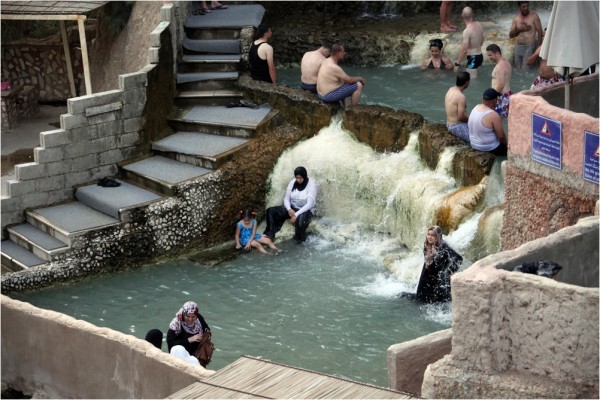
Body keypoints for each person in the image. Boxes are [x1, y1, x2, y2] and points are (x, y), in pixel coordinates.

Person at [263, 166, 317, 245]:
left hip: (305, 210)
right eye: (297, 177)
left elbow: (310, 204)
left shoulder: (311, 185)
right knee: (271, 211)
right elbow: (286, 199)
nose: (298, 180)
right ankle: (270, 234)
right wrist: (289, 209)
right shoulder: (293, 182)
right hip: (292, 208)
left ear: (304, 176)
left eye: (300, 178)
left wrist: (296, 214)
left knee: (300, 223)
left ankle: (300, 242)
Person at [415, 226, 462, 303]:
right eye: (428, 234)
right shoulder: (427, 245)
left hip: (439, 281)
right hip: (428, 277)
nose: (429, 237)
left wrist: (448, 272)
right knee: (420, 300)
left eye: (432, 235)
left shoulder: (443, 247)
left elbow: (458, 258)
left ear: (438, 237)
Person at [317, 42, 366, 107]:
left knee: (343, 83)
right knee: (359, 85)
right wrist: (360, 78)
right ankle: (354, 111)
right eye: (343, 51)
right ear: (337, 52)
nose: (344, 53)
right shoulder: (334, 67)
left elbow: (345, 80)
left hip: (320, 93)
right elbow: (349, 80)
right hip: (327, 96)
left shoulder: (326, 60)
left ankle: (346, 107)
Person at [468, 88, 508, 156]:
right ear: (494, 100)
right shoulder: (493, 115)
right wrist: (506, 145)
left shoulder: (475, 107)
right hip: (489, 148)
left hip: (474, 145)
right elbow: (501, 136)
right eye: (497, 99)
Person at [509, 1, 542, 70]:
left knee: (525, 70)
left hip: (529, 47)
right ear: (519, 7)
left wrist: (537, 49)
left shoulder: (534, 16)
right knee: (518, 70)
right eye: (523, 6)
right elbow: (511, 35)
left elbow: (540, 32)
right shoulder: (516, 18)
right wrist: (520, 30)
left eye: (527, 6)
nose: (526, 8)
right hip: (518, 47)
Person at [453, 7, 484, 78]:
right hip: (480, 56)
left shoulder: (467, 31)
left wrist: (457, 64)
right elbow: (482, 40)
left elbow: (464, 50)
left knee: (472, 83)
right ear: (472, 14)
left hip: (472, 58)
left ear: (462, 16)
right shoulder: (479, 24)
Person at [486, 44, 512, 118]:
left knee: (496, 121)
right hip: (507, 95)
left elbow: (500, 85)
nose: (489, 58)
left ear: (497, 53)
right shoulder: (507, 63)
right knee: (500, 120)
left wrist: (490, 97)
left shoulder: (500, 66)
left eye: (490, 55)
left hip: (501, 97)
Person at [444, 71, 471, 142]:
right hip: (457, 127)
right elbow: (461, 117)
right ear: (466, 82)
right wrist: (472, 120)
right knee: (476, 139)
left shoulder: (450, 89)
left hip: (449, 124)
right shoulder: (461, 97)